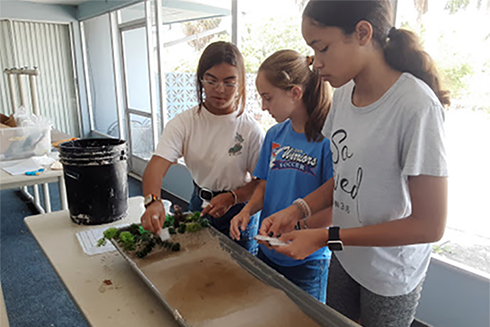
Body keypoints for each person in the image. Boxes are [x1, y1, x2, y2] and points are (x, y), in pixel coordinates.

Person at [259, 1, 450, 326]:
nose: (316, 65)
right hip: (346, 256)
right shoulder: (345, 94)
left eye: (323, 49)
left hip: (389, 274)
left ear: (363, 32)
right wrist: (298, 210)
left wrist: (325, 237)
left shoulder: (416, 108)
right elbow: (347, 175)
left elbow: (429, 225)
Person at [141, 41, 265, 254]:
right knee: (198, 262)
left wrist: (232, 197)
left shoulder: (250, 129)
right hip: (200, 203)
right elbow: (156, 167)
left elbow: (261, 183)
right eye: (211, 80)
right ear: (201, 80)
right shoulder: (185, 122)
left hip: (239, 211)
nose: (219, 90)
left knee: (241, 275)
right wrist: (152, 202)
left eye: (229, 82)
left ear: (241, 83)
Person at [230, 49, 334, 303]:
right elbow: (264, 186)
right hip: (267, 251)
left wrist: (297, 226)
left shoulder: (328, 141)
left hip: (307, 260)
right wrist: (246, 211)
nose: (264, 107)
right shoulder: (275, 135)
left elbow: (334, 206)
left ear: (295, 93)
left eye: (268, 98)